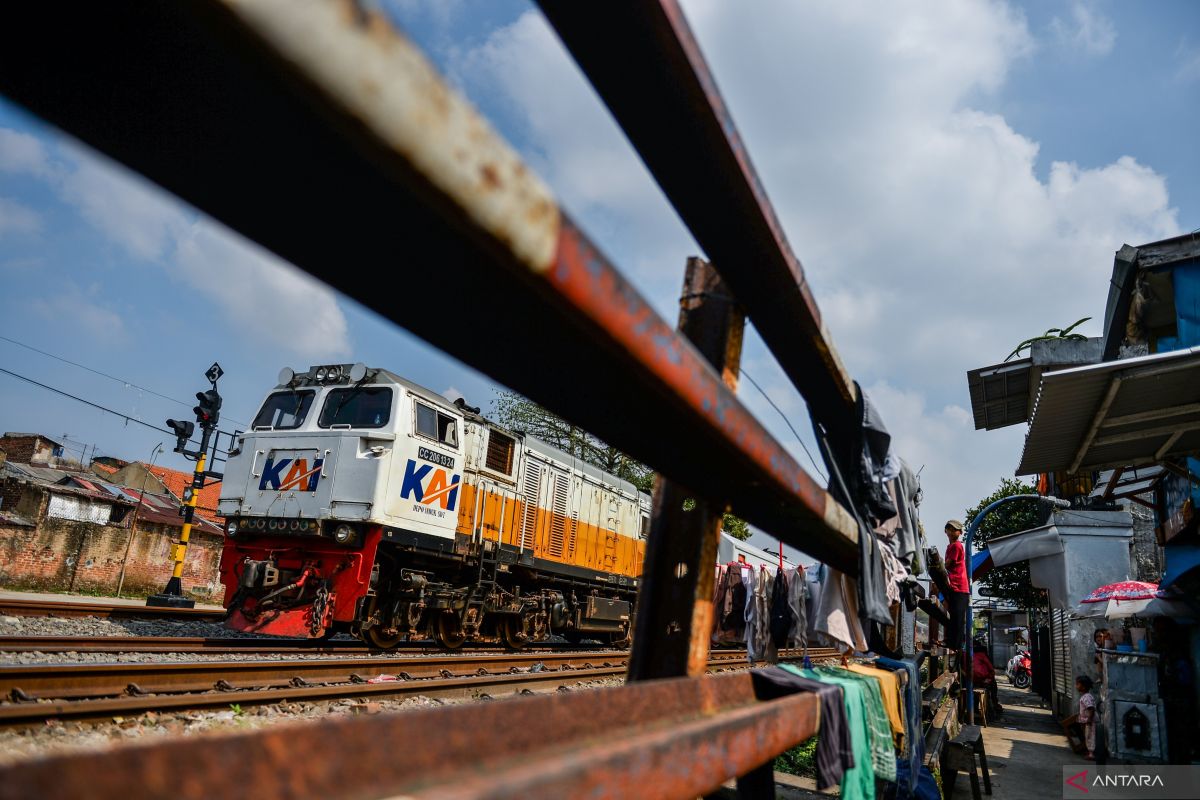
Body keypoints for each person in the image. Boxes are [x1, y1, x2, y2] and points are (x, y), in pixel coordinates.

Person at [943, 520, 969, 652]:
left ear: (959, 532)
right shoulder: (951, 546)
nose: (953, 532)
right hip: (956, 586)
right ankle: (951, 643)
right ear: (946, 530)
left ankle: (955, 646)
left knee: (957, 618)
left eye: (956, 530)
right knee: (954, 617)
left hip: (959, 587)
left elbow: (947, 564)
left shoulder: (956, 546)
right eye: (950, 529)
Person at [971, 638, 1002, 720]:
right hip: (981, 679)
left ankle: (976, 710)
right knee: (992, 687)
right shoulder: (982, 655)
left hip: (972, 680)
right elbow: (991, 670)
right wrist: (989, 678)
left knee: (978, 690)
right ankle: (993, 708)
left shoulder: (969, 654)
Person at [1075, 675, 1097, 760]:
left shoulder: (1086, 697)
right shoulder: (1086, 696)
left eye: (1077, 684)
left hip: (1089, 721)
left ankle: (1091, 753)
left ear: (1083, 687)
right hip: (1087, 720)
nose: (1076, 686)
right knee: (1088, 735)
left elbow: (1090, 708)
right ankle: (1089, 751)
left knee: (1090, 736)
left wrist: (1089, 719)